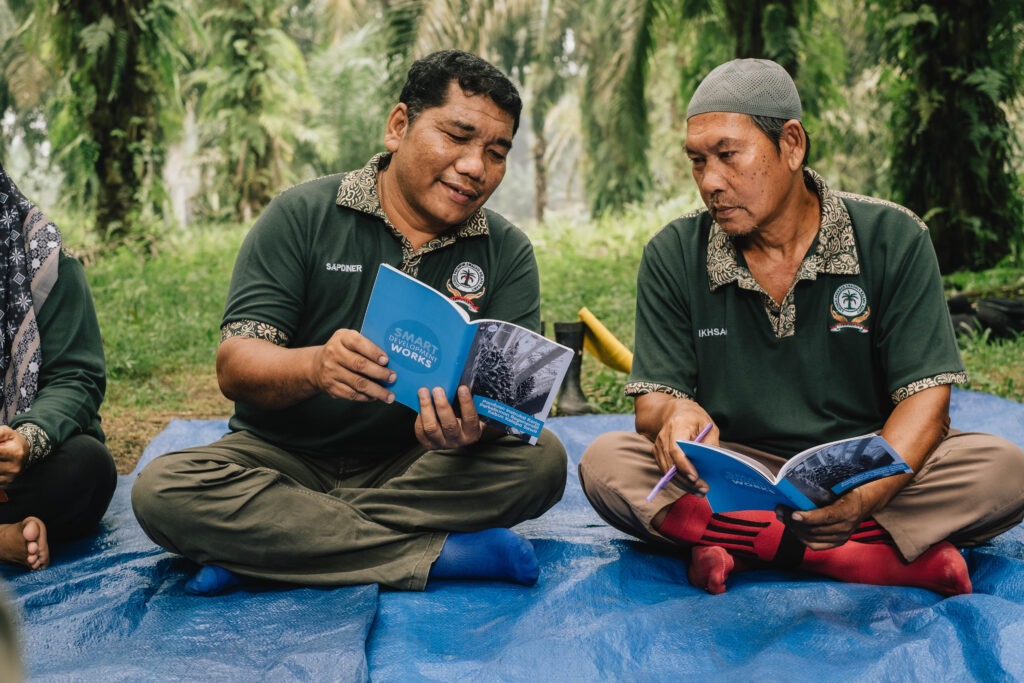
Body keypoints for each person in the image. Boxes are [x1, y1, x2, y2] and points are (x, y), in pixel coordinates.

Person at [578, 58, 1024, 596]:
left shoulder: (892, 237)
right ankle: (852, 556)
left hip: (864, 471)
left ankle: (740, 544)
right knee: (605, 463)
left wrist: (865, 494)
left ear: (791, 144)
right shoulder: (674, 253)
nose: (710, 182)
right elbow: (654, 402)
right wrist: (677, 412)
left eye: (727, 155)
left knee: (1005, 469)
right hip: (733, 477)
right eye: (697, 161)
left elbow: (927, 406)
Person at [131, 50, 567, 595]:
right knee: (161, 489)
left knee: (543, 462)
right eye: (457, 136)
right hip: (279, 461)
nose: (476, 166)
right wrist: (315, 366)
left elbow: (509, 411)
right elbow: (236, 366)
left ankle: (267, 551)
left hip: (418, 467)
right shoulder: (303, 214)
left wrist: (474, 430)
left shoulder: (506, 251)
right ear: (398, 126)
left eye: (496, 151)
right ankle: (434, 555)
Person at [0, 164, 115, 572]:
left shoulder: (46, 262)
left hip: (14, 472)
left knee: (87, 468)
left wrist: (25, 443)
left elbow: (75, 378)